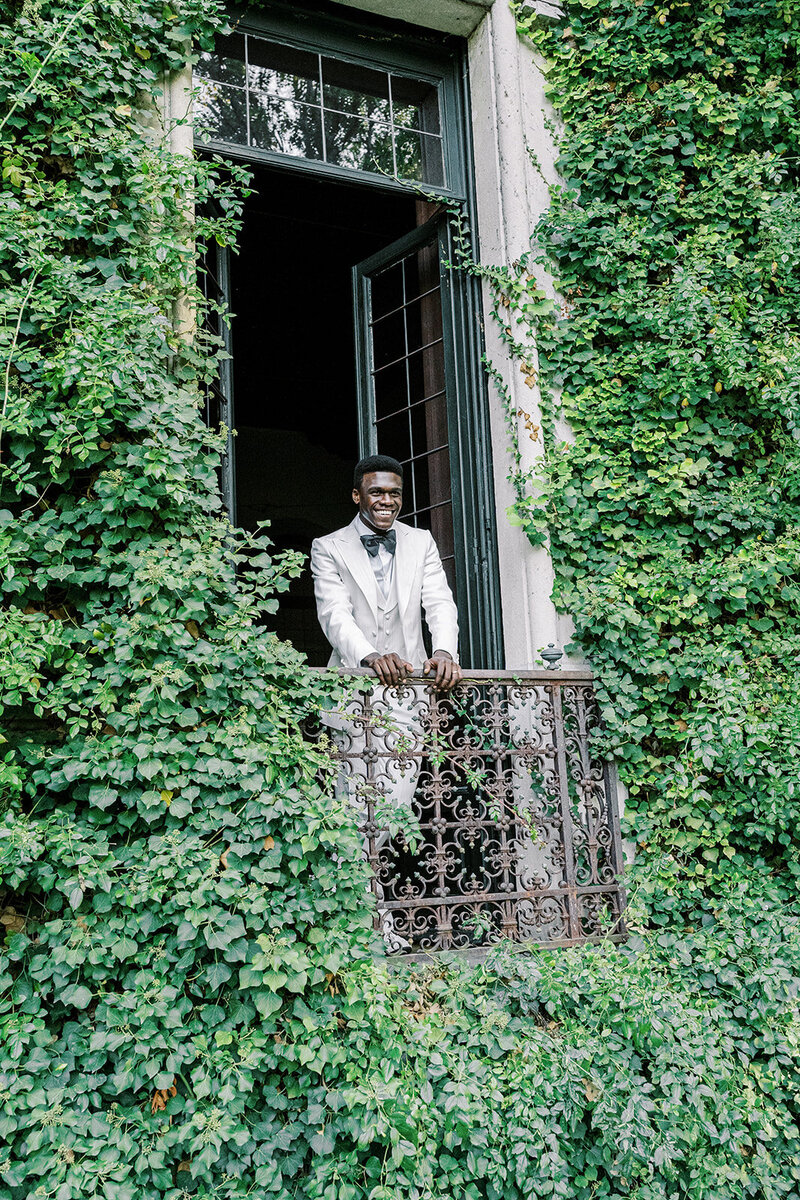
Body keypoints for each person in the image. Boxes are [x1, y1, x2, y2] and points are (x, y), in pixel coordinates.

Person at [311, 454, 461, 947]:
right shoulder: (328, 547)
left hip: (408, 697)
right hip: (355, 692)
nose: (386, 502)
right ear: (358, 496)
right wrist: (371, 656)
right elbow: (334, 616)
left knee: (393, 805)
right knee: (353, 805)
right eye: (376, 493)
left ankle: (367, 913)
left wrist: (443, 650)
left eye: (394, 494)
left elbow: (439, 601)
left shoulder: (421, 542)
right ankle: (361, 921)